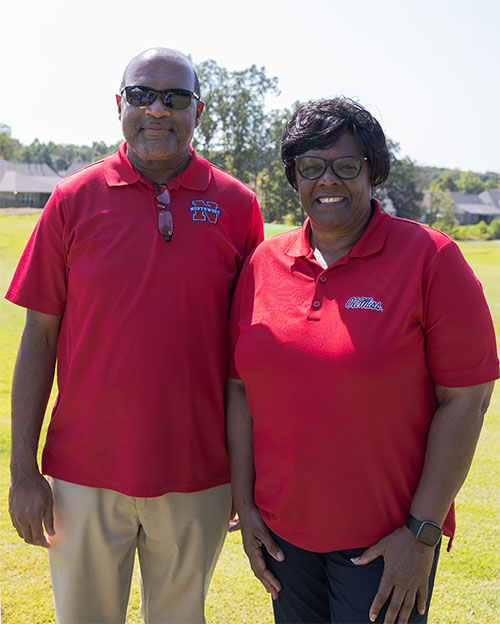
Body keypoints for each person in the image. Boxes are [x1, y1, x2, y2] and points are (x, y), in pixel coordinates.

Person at [6, 47, 263, 624]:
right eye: (143, 95)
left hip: (198, 473)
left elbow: (248, 363)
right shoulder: (72, 200)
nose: (157, 110)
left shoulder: (238, 207)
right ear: (120, 104)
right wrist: (23, 470)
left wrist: (247, 481)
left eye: (174, 98)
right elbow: (39, 338)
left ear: (199, 110)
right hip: (83, 471)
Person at [226, 97, 499, 624]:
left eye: (346, 166)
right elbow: (239, 388)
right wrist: (247, 504)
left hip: (386, 543)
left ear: (373, 172)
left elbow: (468, 400)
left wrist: (422, 532)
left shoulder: (430, 257)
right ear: (294, 176)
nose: (328, 180)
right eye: (311, 167)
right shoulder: (264, 263)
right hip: (285, 541)